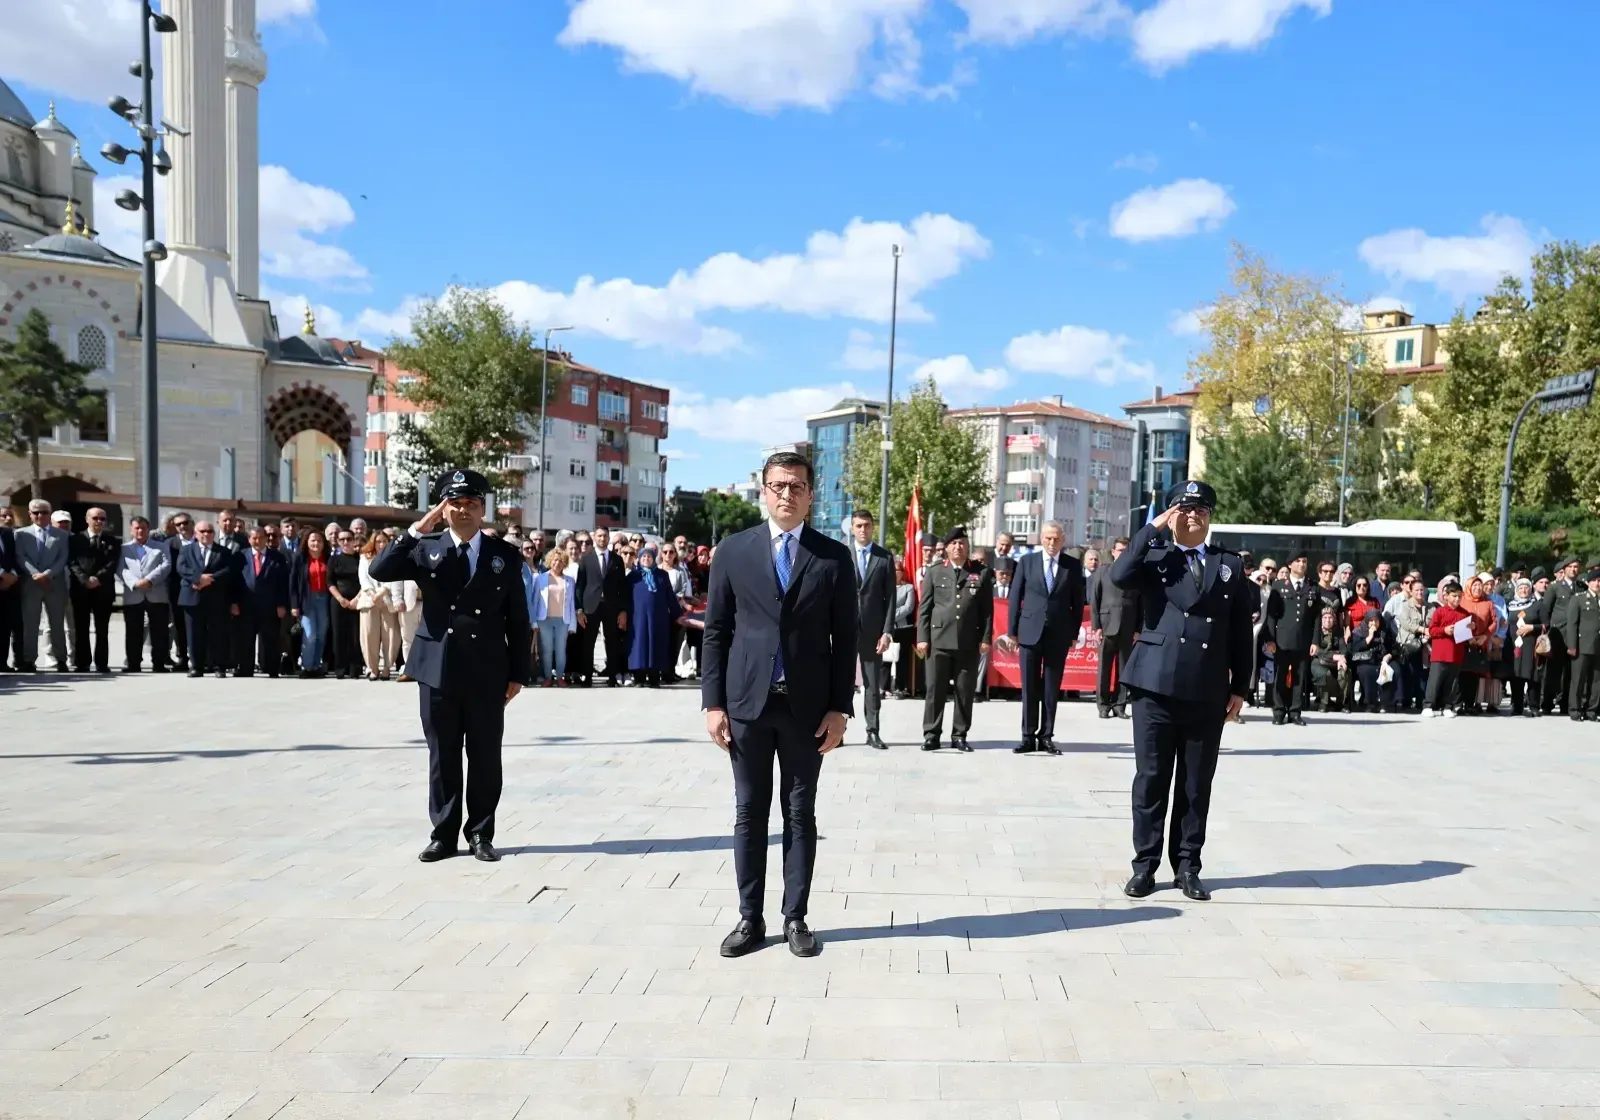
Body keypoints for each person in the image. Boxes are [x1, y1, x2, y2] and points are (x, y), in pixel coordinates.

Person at [701, 450, 855, 960]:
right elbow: (717, 632)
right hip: (747, 705)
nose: (786, 494)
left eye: (796, 486)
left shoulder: (833, 557)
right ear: (763, 491)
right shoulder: (733, 551)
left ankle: (795, 917)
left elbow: (845, 638)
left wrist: (840, 708)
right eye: (777, 485)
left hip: (806, 709)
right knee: (749, 813)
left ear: (811, 495)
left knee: (799, 814)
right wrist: (713, 703)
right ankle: (750, 918)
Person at [370, 468, 531, 863]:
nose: (463, 511)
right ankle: (443, 834)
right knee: (442, 753)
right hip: (437, 666)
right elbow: (379, 570)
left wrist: (518, 673)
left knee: (485, 754)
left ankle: (480, 833)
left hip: (486, 669)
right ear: (444, 509)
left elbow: (518, 618)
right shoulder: (425, 548)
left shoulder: (504, 556)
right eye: (454, 503)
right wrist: (416, 529)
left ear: (482, 508)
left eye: (471, 503)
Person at [1109, 480, 1253, 903]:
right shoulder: (1155, 557)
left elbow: (1240, 629)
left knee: (1195, 784)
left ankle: (1188, 866)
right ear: (1172, 514)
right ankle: (1145, 866)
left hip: (1206, 688)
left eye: (1203, 510)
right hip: (1155, 685)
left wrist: (1240, 686)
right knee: (1152, 779)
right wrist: (1154, 526)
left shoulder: (1229, 565)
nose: (1195, 517)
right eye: (1185, 509)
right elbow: (1119, 575)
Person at [998, 520, 1085, 754]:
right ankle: (1027, 736)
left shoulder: (1072, 566)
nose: (1052, 542)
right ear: (1041, 538)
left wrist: (1074, 633)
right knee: (1029, 687)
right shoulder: (1027, 562)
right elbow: (1015, 597)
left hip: (1058, 634)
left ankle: (1046, 735)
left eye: (1056, 538)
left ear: (1063, 540)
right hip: (1029, 633)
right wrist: (1012, 631)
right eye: (1047, 538)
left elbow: (1077, 604)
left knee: (1051, 688)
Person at [916, 526, 993, 752]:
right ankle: (932, 734)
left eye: (962, 543)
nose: (958, 547)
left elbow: (987, 610)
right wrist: (922, 638)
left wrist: (985, 638)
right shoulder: (935, 571)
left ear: (968, 546)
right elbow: (925, 608)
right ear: (946, 548)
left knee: (964, 691)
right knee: (934, 690)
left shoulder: (981, 572)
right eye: (953, 544)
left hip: (968, 641)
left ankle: (959, 734)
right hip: (938, 639)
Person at [847, 509, 895, 749]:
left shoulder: (884, 558)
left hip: (873, 632)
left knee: (872, 684)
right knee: (842, 683)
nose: (863, 529)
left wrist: (887, 631)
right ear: (852, 528)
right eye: (858, 525)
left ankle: (873, 731)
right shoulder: (842, 555)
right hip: (844, 630)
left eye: (866, 525)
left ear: (872, 527)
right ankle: (838, 731)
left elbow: (890, 598)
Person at [176, 520, 238, 678]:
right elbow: (181, 568)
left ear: (214, 534)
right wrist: (198, 578)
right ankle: (197, 667)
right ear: (195, 534)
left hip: (216, 599)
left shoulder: (223, 552)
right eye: (202, 531)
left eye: (209, 531)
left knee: (218, 634)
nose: (206, 534)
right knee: (194, 634)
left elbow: (229, 570)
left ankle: (219, 667)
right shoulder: (186, 549)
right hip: (192, 597)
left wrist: (209, 580)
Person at [1264, 553, 1320, 726]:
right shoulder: (1279, 586)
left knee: (1299, 677)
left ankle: (1295, 712)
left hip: (1302, 639)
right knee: (1280, 676)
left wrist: (1315, 641)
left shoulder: (1312, 587)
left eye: (1304, 561)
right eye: (1298, 561)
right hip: (1282, 639)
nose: (1302, 564)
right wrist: (1270, 639)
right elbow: (1272, 616)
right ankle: (1279, 711)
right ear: (1290, 565)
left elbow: (1316, 617)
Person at [16, 499, 70, 671]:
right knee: (30, 625)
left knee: (57, 624)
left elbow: (62, 558)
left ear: (50, 513)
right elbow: (20, 557)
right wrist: (35, 574)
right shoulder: (21, 534)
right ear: (30, 514)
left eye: (44, 512)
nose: (40, 516)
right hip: (30, 585)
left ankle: (61, 659)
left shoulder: (61, 535)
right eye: (36, 512)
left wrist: (47, 574)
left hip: (54, 584)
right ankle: (29, 660)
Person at [67, 507, 120, 674]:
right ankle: (82, 663)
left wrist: (98, 578)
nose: (99, 522)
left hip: (103, 590)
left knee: (102, 629)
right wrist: (84, 579)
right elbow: (72, 562)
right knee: (81, 628)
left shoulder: (112, 541)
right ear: (87, 519)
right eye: (96, 518)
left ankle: (102, 663)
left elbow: (112, 563)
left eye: (102, 519)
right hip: (81, 590)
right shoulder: (75, 540)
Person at [1091, 535, 1139, 719]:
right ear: (1113, 552)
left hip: (1127, 627)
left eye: (1126, 551)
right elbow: (1095, 601)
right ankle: (1103, 705)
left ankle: (1120, 705)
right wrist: (1096, 627)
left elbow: (1140, 603)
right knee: (1104, 669)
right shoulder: (1103, 572)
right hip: (1106, 625)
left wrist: (1138, 629)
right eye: (1120, 550)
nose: (1123, 553)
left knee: (1124, 669)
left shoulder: (1135, 574)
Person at [575, 526, 629, 687]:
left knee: (612, 641)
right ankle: (588, 676)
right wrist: (579, 610)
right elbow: (580, 586)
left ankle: (612, 676)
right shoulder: (586, 559)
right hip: (591, 606)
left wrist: (623, 610)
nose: (602, 539)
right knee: (588, 642)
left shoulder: (616, 559)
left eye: (605, 536)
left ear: (608, 538)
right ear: (594, 537)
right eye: (599, 536)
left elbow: (622, 587)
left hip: (611, 607)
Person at [236, 526, 289, 677]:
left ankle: (272, 668)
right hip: (246, 605)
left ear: (266, 539)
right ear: (249, 539)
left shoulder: (277, 557)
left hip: (270, 606)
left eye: (260, 537)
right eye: (254, 538)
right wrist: (234, 602)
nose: (257, 541)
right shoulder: (241, 556)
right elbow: (235, 581)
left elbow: (283, 582)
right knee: (246, 638)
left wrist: (281, 604)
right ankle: (246, 668)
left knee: (271, 638)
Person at [628, 544, 682, 688]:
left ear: (654, 559)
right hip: (637, 618)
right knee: (639, 645)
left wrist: (678, 614)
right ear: (639, 559)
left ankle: (653, 678)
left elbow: (670, 596)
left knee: (655, 645)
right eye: (644, 556)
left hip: (657, 618)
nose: (646, 559)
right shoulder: (633, 576)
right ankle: (639, 678)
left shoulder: (662, 575)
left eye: (649, 557)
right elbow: (626, 598)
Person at [289, 529, 333, 678]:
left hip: (324, 599)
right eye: (313, 540)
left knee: (321, 634)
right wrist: (294, 605)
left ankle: (316, 666)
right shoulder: (300, 558)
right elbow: (293, 583)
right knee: (310, 634)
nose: (316, 543)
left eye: (319, 540)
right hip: (307, 600)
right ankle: (307, 666)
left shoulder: (328, 558)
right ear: (306, 542)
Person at [531, 545, 576, 686]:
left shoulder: (569, 580)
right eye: (555, 560)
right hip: (544, 620)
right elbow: (534, 601)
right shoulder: (540, 578)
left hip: (563, 620)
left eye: (561, 561)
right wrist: (534, 622)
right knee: (547, 650)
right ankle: (548, 677)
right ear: (550, 561)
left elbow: (572, 603)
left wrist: (572, 624)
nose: (557, 563)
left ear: (565, 563)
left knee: (561, 650)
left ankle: (560, 677)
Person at [1424, 580, 1469, 718]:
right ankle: (1428, 705)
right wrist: (1444, 630)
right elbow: (1432, 630)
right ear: (1446, 596)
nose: (1457, 599)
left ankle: (1447, 706)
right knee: (1435, 681)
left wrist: (1470, 629)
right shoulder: (1439, 611)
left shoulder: (1465, 613)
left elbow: (1466, 636)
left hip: (1456, 653)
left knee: (1452, 682)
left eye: (1459, 596)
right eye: (1454, 596)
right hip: (1440, 653)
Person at [358, 532, 399, 681]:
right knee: (369, 635)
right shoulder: (364, 558)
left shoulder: (393, 557)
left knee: (391, 636)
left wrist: (382, 592)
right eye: (378, 542)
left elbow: (395, 577)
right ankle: (373, 668)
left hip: (387, 600)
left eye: (384, 541)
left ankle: (387, 668)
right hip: (369, 601)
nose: (381, 544)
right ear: (373, 543)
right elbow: (363, 578)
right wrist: (372, 594)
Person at [1543, 559, 1581, 714]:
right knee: (1553, 672)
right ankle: (1547, 703)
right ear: (1564, 570)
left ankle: (1565, 703)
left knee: (1570, 672)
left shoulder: (1581, 587)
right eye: (1570, 567)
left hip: (1575, 636)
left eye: (1576, 567)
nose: (1573, 570)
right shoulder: (1555, 587)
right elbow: (1546, 610)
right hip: (1558, 635)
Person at [326, 529, 364, 680]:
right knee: (339, 635)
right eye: (342, 540)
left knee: (355, 635)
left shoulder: (360, 559)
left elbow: (365, 581)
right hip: (338, 601)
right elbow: (330, 581)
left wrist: (356, 599)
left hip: (357, 600)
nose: (345, 542)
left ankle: (355, 668)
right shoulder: (334, 560)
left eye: (348, 539)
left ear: (354, 540)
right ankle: (340, 668)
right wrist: (340, 598)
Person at [1507, 575, 1546, 717]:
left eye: (1526, 588)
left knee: (1532, 676)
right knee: (1515, 675)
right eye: (1521, 588)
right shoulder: (1510, 605)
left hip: (1531, 645)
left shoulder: (1537, 605)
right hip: (1513, 646)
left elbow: (1546, 625)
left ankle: (1534, 706)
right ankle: (1517, 706)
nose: (1523, 590)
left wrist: (1531, 628)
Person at [1388, 580, 1430, 712]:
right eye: (1416, 590)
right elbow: (1406, 624)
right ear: (1411, 591)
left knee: (1423, 673)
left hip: (1425, 645)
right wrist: (1423, 630)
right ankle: (1406, 700)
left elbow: (1434, 622)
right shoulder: (1405, 606)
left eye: (1422, 590)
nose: (1419, 592)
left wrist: (1429, 633)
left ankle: (1420, 700)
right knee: (1410, 672)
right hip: (1409, 644)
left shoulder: (1430, 607)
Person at [163, 513, 196, 672]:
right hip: (176, 589)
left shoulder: (201, 540)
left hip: (199, 588)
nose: (182, 526)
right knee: (179, 625)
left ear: (192, 523)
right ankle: (182, 657)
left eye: (185, 523)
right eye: (178, 524)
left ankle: (203, 658)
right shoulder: (169, 543)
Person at [1567, 568, 1600, 722]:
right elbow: (1572, 624)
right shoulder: (1579, 599)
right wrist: (1572, 645)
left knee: (1596, 680)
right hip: (1582, 645)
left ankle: (1592, 710)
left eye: (1599, 581)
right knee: (1578, 679)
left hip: (1598, 646)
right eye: (1594, 580)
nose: (1597, 583)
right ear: (1588, 582)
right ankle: (1575, 709)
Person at [1308, 605, 1349, 711]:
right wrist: (1334, 656)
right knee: (1325, 674)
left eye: (1330, 617)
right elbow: (1316, 651)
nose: (1327, 620)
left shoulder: (1338, 631)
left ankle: (1341, 703)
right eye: (1325, 618)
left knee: (1344, 671)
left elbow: (1343, 648)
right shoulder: (1316, 632)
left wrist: (1342, 658)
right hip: (1318, 661)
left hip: (1335, 662)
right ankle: (1324, 702)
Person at [890, 565, 916, 698]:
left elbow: (909, 607)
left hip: (904, 628)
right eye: (892, 570)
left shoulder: (908, 588)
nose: (895, 573)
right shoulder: (884, 587)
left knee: (902, 659)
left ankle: (900, 687)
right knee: (885, 658)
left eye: (897, 570)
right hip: (887, 629)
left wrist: (891, 615)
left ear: (902, 573)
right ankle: (884, 687)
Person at [0, 511, 19, 671]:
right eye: (3, 516)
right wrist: (2, 574)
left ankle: (2, 662)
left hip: (9, 587)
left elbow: (15, 558)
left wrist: (12, 575)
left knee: (5, 626)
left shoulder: (9, 536)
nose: (8, 519)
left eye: (10, 515)